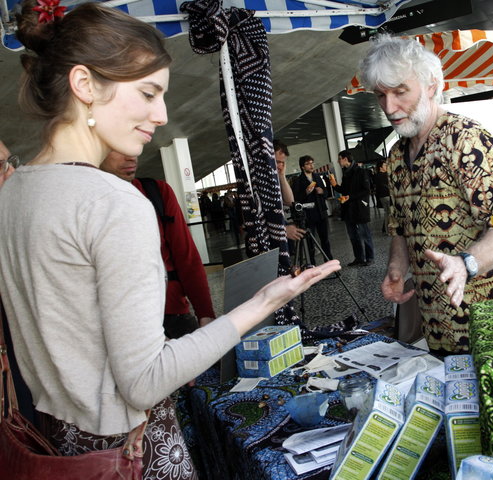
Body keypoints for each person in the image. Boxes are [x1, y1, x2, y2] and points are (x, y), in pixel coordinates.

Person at [0, 2, 340, 478]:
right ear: (84, 85)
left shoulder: (14, 190)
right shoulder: (114, 203)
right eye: (147, 93)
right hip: (128, 451)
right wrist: (261, 303)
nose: (161, 114)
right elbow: (144, 381)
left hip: (57, 439)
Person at [359, 35, 493, 355]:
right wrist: (395, 268)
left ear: (431, 85)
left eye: (400, 92)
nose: (389, 107)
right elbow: (402, 229)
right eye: (381, 95)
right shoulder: (396, 156)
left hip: (486, 323)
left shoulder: (466, 140)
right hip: (435, 325)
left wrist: (465, 264)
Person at [100, 152, 216, 338]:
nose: (130, 156)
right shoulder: (90, 204)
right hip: (119, 320)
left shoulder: (158, 193)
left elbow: (187, 257)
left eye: (134, 148)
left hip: (171, 313)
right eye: (117, 149)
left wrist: (205, 313)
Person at [330, 150, 375, 266]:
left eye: (339, 159)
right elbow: (344, 190)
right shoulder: (346, 173)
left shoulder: (361, 172)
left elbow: (366, 190)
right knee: (353, 235)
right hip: (348, 209)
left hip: (359, 208)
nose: (338, 161)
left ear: (345, 159)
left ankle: (369, 257)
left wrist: (350, 197)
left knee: (365, 233)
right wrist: (335, 185)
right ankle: (359, 258)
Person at [292, 155, 333, 264]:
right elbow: (295, 199)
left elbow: (326, 193)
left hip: (321, 213)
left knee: (325, 240)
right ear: (302, 167)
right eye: (308, 163)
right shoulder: (298, 181)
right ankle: (312, 266)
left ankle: (329, 263)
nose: (311, 165)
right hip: (308, 215)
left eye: (312, 163)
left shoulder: (318, 177)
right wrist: (305, 192)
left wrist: (322, 192)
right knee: (310, 243)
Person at [274, 139, 306, 242]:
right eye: (277, 162)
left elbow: (289, 201)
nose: (280, 166)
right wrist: (282, 230)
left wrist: (282, 176)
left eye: (283, 163)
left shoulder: (277, 178)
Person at [375, 159, 391, 234]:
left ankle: (386, 230)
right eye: (385, 165)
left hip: (382, 197)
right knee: (389, 213)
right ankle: (388, 230)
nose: (386, 166)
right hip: (387, 196)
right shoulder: (385, 175)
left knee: (386, 213)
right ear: (380, 168)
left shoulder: (377, 176)